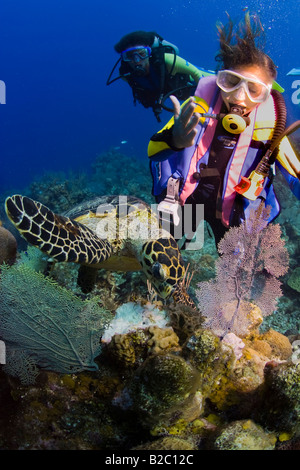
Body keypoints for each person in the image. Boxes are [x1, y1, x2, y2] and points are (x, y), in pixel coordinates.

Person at [148, 13, 300, 246]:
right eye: (231, 82)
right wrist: (175, 140)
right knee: (161, 252)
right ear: (219, 79)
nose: (239, 97)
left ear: (267, 94)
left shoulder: (273, 127)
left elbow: (295, 178)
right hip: (184, 202)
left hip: (235, 214)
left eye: (254, 90)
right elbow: (154, 151)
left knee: (235, 275)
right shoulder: (198, 107)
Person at [107, 30, 213, 121]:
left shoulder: (167, 60)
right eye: (130, 56)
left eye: (142, 54)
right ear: (125, 59)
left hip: (205, 81)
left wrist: (204, 105)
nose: (137, 60)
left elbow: (196, 74)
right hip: (185, 94)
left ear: (150, 53)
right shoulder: (126, 75)